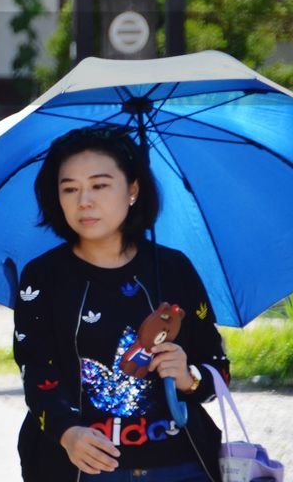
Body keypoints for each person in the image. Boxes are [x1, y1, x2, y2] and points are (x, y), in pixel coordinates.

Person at [13, 126, 231, 482]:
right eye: (69, 188)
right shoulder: (43, 276)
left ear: (132, 189)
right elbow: (36, 371)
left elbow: (218, 368)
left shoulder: (174, 269)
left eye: (99, 185)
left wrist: (189, 377)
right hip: (82, 469)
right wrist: (69, 433)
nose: (84, 200)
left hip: (183, 467)